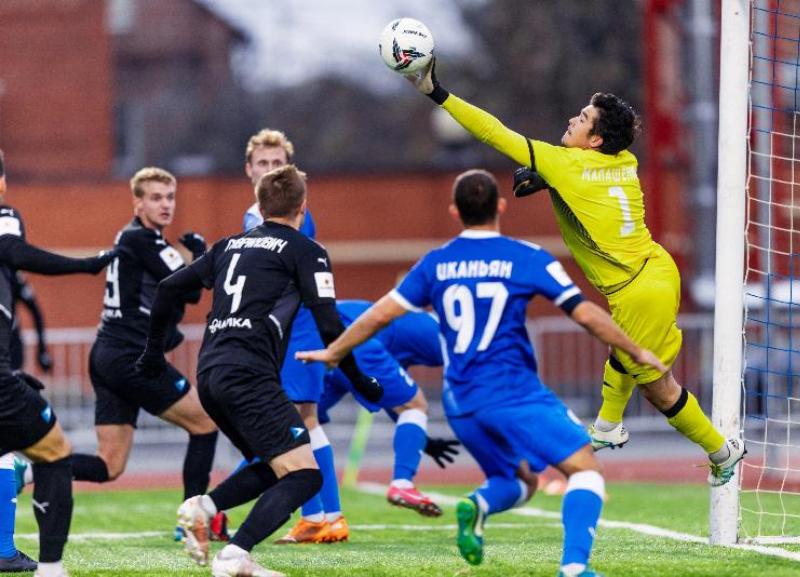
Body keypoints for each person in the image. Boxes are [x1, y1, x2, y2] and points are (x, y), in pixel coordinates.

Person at [298, 169, 666, 576]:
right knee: (586, 471)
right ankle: (575, 568)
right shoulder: (526, 257)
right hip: (513, 393)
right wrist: (635, 349)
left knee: (520, 480)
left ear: (455, 211)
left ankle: (479, 505)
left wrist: (334, 351)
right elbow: (585, 314)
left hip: (461, 404)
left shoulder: (434, 264)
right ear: (501, 207)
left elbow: (378, 314)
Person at [403, 61, 745, 486]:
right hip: (652, 271)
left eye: (582, 119)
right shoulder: (624, 160)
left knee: (659, 388)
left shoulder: (566, 165)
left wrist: (438, 92)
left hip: (640, 288)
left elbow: (493, 131)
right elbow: (590, 185)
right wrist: (551, 182)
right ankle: (608, 425)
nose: (572, 119)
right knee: (621, 356)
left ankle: (722, 450)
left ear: (595, 140)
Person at [136, 165, 382, 576]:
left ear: (261, 206)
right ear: (303, 207)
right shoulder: (307, 250)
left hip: (211, 373)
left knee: (272, 466)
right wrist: (359, 380)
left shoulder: (228, 246)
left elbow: (167, 288)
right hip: (249, 373)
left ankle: (203, 507)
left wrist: (151, 353)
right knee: (306, 477)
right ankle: (234, 555)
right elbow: (329, 323)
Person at [68, 168, 221, 539]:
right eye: (156, 198)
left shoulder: (137, 238)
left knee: (110, 465)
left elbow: (184, 290)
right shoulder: (143, 239)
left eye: (170, 197)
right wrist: (202, 252)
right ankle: (192, 521)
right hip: (130, 356)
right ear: (137, 202)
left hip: (107, 353)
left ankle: (28, 466)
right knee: (205, 424)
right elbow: (191, 288)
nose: (165, 205)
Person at [0, 149, 115, 577]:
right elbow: (12, 247)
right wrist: (86, 266)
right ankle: (50, 568)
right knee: (55, 454)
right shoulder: (5, 216)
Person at [240, 129, 342, 545]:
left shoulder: (293, 213)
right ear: (249, 169)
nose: (269, 170)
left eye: (276, 163)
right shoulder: (254, 214)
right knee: (291, 421)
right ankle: (317, 514)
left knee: (303, 418)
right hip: (279, 330)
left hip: (296, 327)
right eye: (262, 164)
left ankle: (326, 515)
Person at [9, 272, 52, 374]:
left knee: (12, 384)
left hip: (11, 346)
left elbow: (36, 312)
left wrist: (42, 349)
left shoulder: (12, 276)